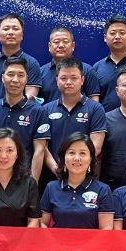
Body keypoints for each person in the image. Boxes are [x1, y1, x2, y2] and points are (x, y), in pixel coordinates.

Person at [34, 58, 106, 189]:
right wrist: (57, 169)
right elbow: (42, 147)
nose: (68, 82)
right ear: (57, 80)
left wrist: (76, 169)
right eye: (63, 78)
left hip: (85, 178)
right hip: (52, 177)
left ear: (82, 80)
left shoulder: (96, 109)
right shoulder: (45, 110)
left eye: (74, 78)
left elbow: (96, 146)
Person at [40, 132, 114, 229]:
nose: (76, 158)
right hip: (56, 239)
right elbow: (42, 223)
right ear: (63, 158)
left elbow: (106, 229)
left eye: (82, 153)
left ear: (91, 159)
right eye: (71, 153)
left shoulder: (103, 190)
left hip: (93, 239)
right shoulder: (51, 188)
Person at [0, 56, 46, 176]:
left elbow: (39, 151)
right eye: (10, 74)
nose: (15, 80)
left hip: (23, 178)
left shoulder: (38, 111)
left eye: (20, 75)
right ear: (2, 78)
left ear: (26, 79)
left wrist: (32, 183)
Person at [0, 13, 42, 100]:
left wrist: (15, 107)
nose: (10, 32)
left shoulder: (32, 63)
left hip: (22, 109)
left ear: (22, 35)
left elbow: (31, 95)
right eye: (6, 29)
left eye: (15, 29)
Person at [39, 26, 101, 104]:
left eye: (65, 42)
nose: (61, 45)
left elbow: (94, 101)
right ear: (49, 46)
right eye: (56, 42)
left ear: (73, 46)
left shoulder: (87, 70)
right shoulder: (41, 72)